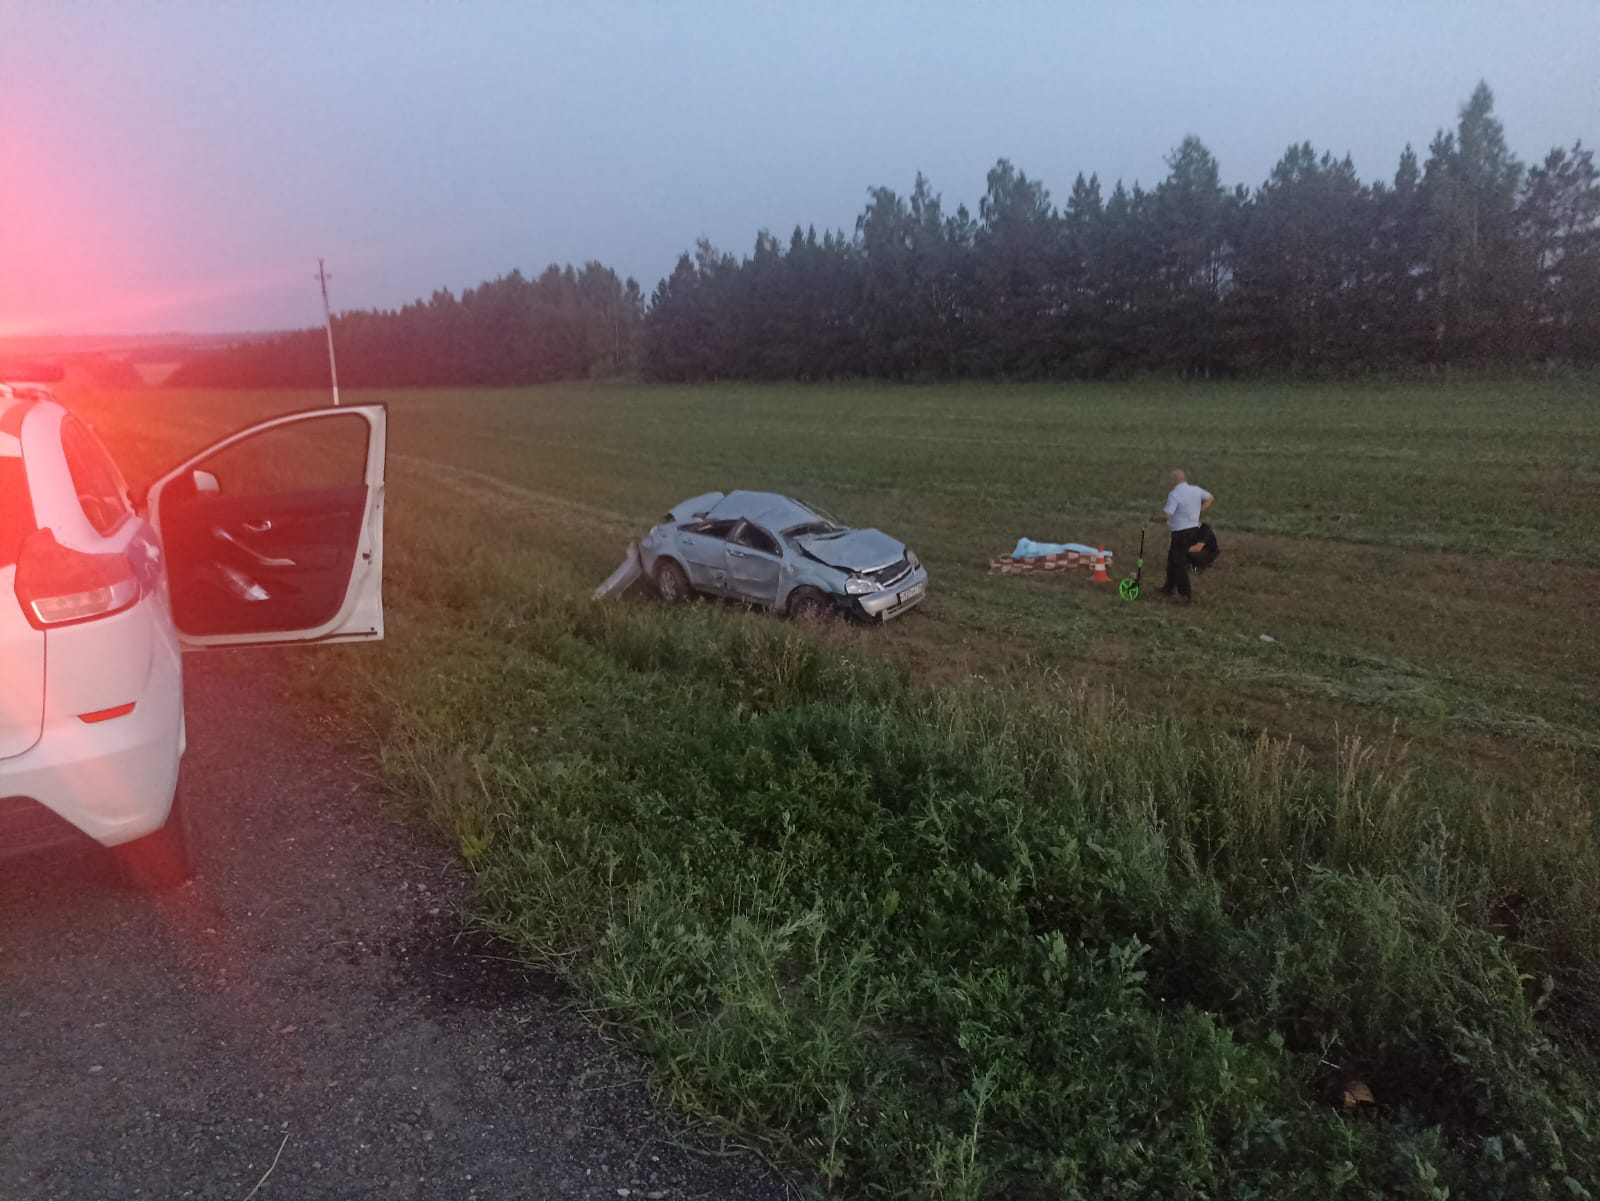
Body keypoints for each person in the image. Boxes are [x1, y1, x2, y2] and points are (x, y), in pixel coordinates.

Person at [1149, 469, 1214, 601]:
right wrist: (1199, 510)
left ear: (1173, 480)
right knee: (1172, 560)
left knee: (1178, 562)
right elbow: (1210, 498)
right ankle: (1169, 587)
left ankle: (1185, 594)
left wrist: (1154, 519)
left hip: (1180, 533)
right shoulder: (1196, 490)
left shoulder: (1175, 494)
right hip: (1194, 530)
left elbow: (1167, 515)